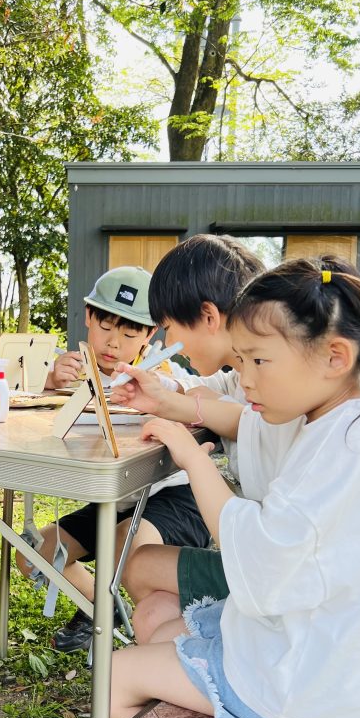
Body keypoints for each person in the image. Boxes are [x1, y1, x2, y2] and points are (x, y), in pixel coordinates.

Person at [110, 255, 360, 718]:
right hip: (331, 656)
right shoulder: (350, 417)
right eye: (240, 363)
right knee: (155, 621)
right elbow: (248, 421)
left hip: (309, 684)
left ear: (335, 357)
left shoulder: (343, 450)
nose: (247, 380)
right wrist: (171, 405)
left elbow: (256, 561)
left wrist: (194, 458)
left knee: (113, 675)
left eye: (257, 362)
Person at [16, 265, 210, 653]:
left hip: (174, 497)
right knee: (32, 553)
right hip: (115, 498)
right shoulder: (71, 370)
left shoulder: (162, 371)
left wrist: (165, 390)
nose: (114, 342)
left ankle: (164, 647)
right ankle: (101, 609)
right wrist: (48, 382)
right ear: (88, 316)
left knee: (127, 544)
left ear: (149, 335)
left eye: (130, 331)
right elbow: (22, 408)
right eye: (105, 325)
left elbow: (197, 391)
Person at [110, 235, 264, 642]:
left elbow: (248, 418)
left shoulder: (272, 385)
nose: (167, 343)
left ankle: (232, 646)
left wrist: (188, 411)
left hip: (275, 568)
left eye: (170, 327)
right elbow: (205, 389)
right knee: (152, 614)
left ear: (209, 316)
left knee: (139, 568)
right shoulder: (238, 372)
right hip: (258, 553)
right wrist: (168, 393)